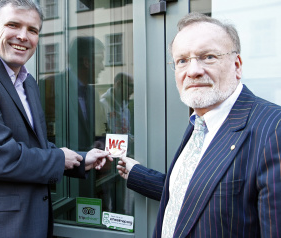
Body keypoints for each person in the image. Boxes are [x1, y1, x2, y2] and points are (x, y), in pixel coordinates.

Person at [0, 1, 112, 238]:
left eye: (32, 30)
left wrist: (82, 159)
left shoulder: (28, 82)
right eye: (13, 25)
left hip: (32, 222)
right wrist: (60, 158)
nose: (23, 36)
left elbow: (34, 148)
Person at [117, 12, 281, 238]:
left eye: (208, 56)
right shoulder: (200, 122)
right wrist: (136, 173)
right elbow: (196, 193)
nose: (193, 71)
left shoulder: (274, 129)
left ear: (237, 65)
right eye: (182, 61)